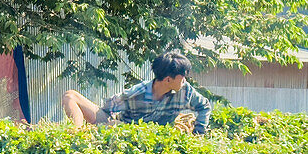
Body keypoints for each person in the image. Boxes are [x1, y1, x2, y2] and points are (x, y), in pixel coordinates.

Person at [62, 51, 211, 135]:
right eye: (182, 76)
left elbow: (204, 106)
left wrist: (198, 132)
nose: (185, 80)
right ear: (167, 79)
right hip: (126, 131)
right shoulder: (135, 95)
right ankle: (76, 133)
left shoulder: (185, 90)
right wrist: (115, 125)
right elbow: (106, 111)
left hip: (155, 138)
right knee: (70, 95)